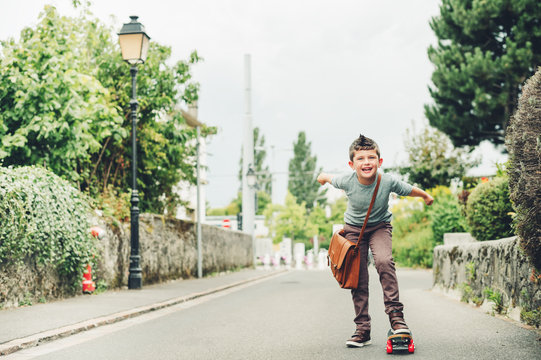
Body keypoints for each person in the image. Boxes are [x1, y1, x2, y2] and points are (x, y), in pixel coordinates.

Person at [317, 134, 433, 348]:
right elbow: (327, 178)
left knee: (384, 261)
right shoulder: (346, 180)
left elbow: (409, 190)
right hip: (354, 231)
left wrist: (425, 196)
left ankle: (397, 319)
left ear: (379, 162)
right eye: (360, 159)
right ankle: (362, 330)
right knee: (357, 279)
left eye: (371, 158)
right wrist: (322, 177)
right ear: (352, 164)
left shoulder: (387, 180)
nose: (366, 162)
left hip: (380, 227)